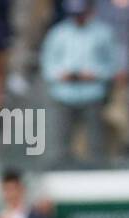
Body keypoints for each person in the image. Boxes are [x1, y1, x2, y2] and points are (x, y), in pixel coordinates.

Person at [40, 0, 119, 165]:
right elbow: (48, 64)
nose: (78, 18)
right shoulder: (58, 33)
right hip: (64, 94)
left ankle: (97, 170)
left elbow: (113, 63)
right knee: (60, 142)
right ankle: (61, 170)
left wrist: (95, 74)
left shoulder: (103, 33)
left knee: (96, 142)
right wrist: (61, 74)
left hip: (93, 93)